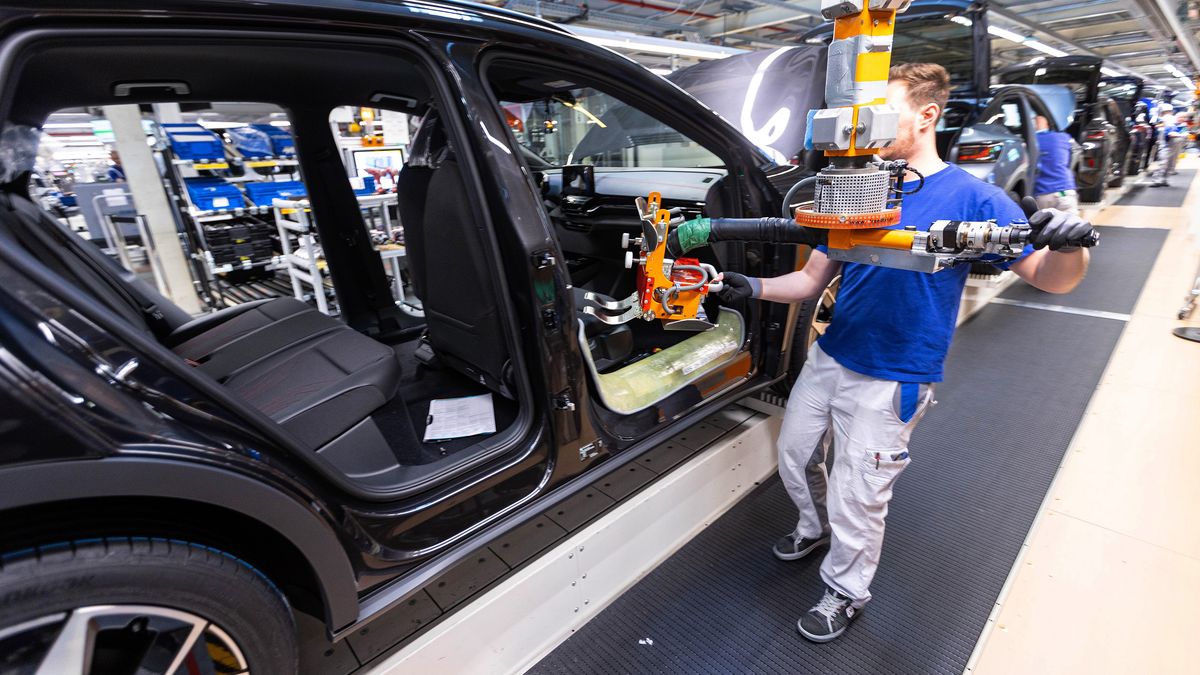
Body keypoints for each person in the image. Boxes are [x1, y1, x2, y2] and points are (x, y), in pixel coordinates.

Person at [717, 63, 1094, 643]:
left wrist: (1072, 243)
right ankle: (813, 528)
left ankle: (845, 590)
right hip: (831, 357)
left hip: (893, 375)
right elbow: (811, 281)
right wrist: (753, 288)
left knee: (859, 491)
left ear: (926, 115)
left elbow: (1053, 278)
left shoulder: (976, 198)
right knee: (794, 457)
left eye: (880, 112)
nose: (861, 128)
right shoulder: (855, 186)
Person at [1032, 115, 1078, 215]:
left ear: (1033, 126)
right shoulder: (1064, 138)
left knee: (1044, 229)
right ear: (1048, 125)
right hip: (1065, 192)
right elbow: (1073, 158)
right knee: (1071, 227)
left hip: (1042, 194)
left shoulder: (1031, 142)